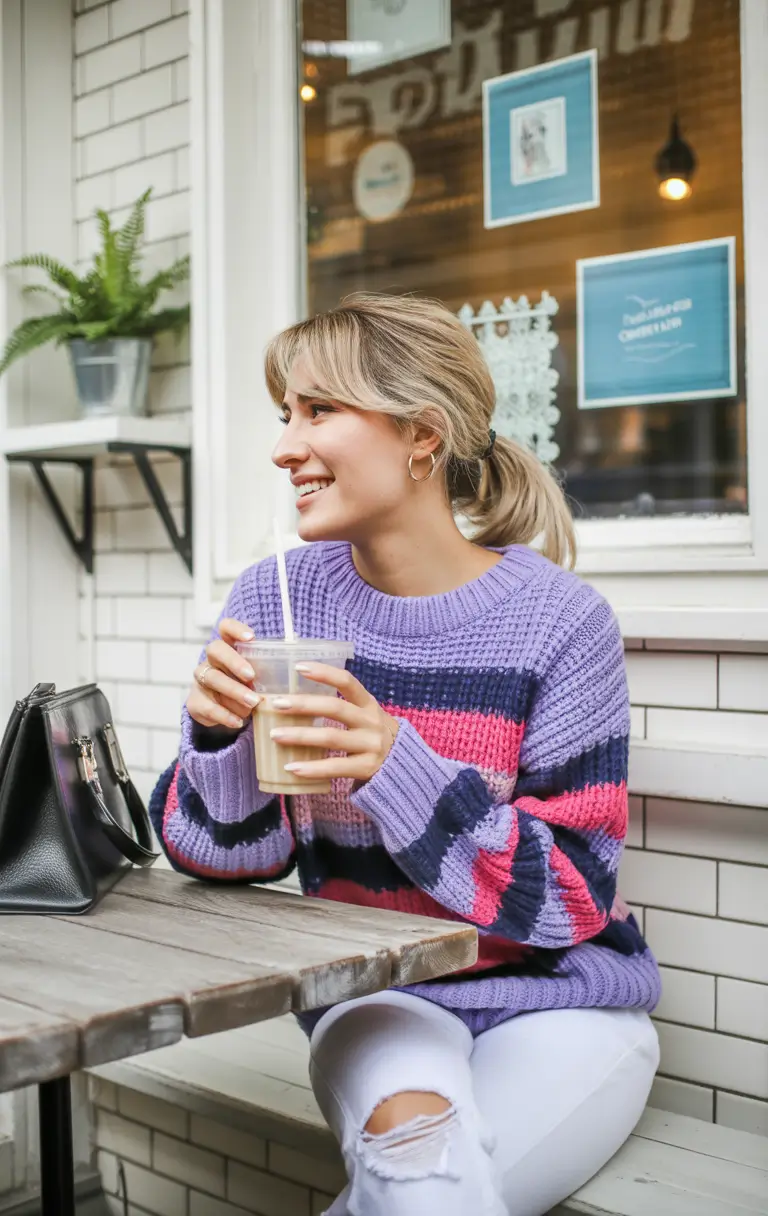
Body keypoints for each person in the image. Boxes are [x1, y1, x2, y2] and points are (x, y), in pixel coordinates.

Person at [150, 293, 661, 1216]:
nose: (283, 448)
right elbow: (224, 860)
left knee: (424, 1193)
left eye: (318, 411)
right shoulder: (277, 599)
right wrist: (220, 741)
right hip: (381, 995)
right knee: (420, 1180)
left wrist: (397, 764)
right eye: (284, 416)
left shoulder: (559, 623)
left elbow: (574, 898)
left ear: (422, 435)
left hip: (564, 1000)